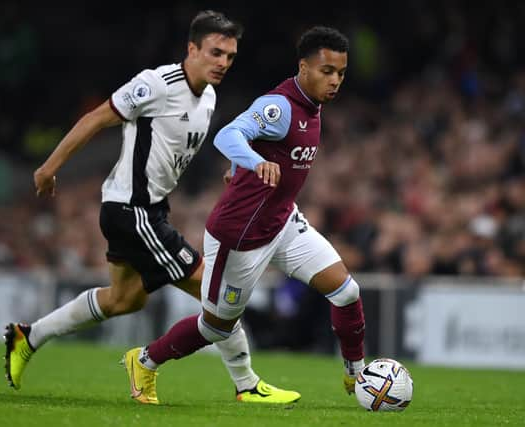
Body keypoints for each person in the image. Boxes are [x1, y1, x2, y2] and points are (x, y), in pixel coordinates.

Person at [3, 10, 300, 405]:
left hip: (150, 209)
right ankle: (246, 384)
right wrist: (48, 168)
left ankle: (29, 336)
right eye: (215, 52)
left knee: (124, 299)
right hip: (132, 210)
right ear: (191, 49)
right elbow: (95, 119)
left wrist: (234, 168)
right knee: (216, 290)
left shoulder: (209, 97)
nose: (223, 63)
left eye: (229, 56)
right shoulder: (156, 83)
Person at [124, 26, 366, 405]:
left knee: (346, 290)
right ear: (304, 68)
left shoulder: (314, 107)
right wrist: (254, 163)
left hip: (282, 222)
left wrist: (243, 167)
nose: (335, 80)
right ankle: (144, 360)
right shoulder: (280, 106)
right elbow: (229, 135)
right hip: (238, 237)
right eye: (327, 71)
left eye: (341, 73)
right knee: (215, 327)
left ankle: (357, 376)